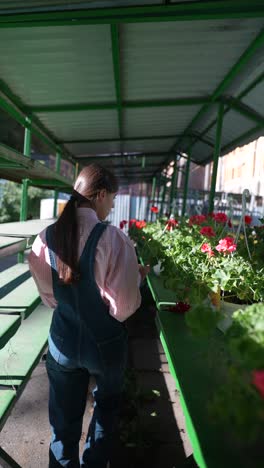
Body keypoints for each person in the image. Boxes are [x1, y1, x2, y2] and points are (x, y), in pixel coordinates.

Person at [28, 164, 149, 468]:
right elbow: (124, 307)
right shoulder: (115, 239)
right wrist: (135, 279)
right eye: (112, 199)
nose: (111, 206)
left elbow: (50, 295)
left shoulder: (45, 238)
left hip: (63, 341)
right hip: (104, 345)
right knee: (105, 411)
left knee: (63, 422)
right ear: (101, 195)